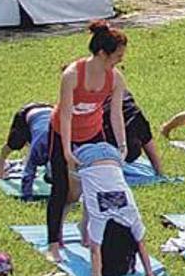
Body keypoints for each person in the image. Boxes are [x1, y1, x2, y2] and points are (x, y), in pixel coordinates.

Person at [46, 21, 129, 263]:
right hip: (63, 132)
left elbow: (115, 113)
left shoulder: (115, 78)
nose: (120, 60)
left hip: (93, 132)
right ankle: (53, 242)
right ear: (103, 54)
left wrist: (121, 145)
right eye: (118, 55)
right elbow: (65, 114)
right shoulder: (72, 75)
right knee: (62, 188)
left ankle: (86, 228)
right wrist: (67, 151)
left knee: (96, 183)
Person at [74, 143, 157, 276]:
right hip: (86, 158)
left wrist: (149, 273)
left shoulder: (131, 216)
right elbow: (94, 251)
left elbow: (141, 245)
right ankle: (84, 233)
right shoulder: (100, 220)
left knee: (90, 198)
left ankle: (83, 233)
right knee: (90, 197)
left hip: (114, 157)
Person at [0, 102, 53, 201]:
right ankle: (0, 168)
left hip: (49, 112)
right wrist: (27, 196)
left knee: (39, 136)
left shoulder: (64, 151)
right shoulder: (37, 152)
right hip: (27, 113)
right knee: (13, 145)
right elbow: (28, 174)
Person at [102, 90, 164, 175]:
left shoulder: (138, 124)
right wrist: (160, 172)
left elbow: (150, 148)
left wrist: (160, 173)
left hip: (118, 100)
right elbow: (150, 148)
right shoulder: (137, 122)